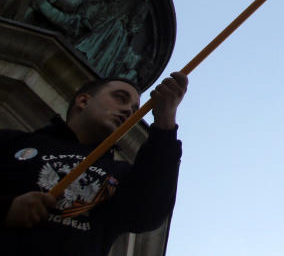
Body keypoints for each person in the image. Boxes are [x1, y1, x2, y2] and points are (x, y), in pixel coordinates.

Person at [0, 72, 188, 255]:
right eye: (120, 98)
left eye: (133, 111)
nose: (127, 111)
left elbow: (148, 214)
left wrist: (165, 123)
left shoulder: (120, 174)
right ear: (83, 101)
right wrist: (7, 208)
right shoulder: (13, 142)